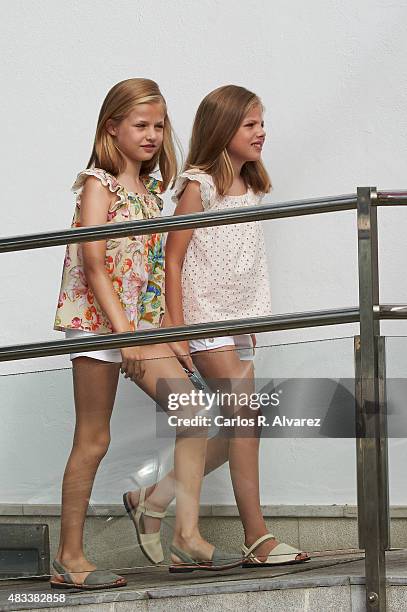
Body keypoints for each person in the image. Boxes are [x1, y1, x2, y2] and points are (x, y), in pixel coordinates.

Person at [52, 79, 240, 590]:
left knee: (194, 411)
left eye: (159, 126)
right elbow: (94, 265)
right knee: (94, 438)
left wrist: (166, 335)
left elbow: (151, 270)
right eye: (140, 125)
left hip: (140, 324)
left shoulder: (153, 191)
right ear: (111, 127)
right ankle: (69, 557)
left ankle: (185, 536)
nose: (152, 135)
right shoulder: (98, 183)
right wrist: (126, 337)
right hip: (97, 325)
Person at [125, 84, 310, 568]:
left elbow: (244, 262)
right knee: (244, 422)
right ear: (223, 129)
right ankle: (257, 537)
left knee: (243, 424)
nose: (261, 133)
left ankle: (155, 498)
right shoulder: (198, 184)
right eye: (250, 125)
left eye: (262, 123)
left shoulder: (249, 185)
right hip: (204, 318)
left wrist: (250, 320)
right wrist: (177, 329)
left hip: (239, 322)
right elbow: (173, 257)